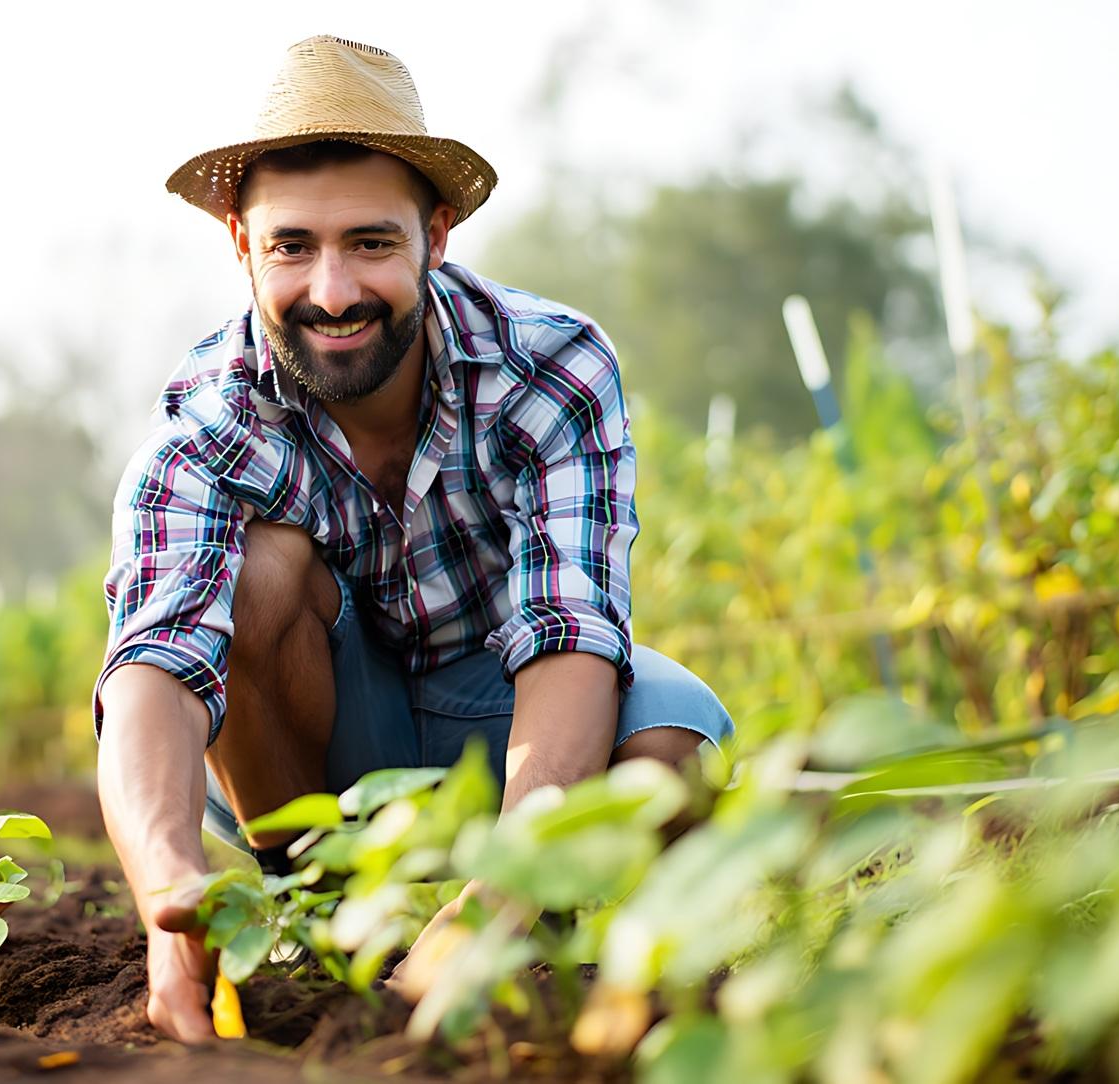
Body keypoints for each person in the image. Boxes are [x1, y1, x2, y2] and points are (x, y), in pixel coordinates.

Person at [93, 34, 734, 1044]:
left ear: (436, 235)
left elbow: (572, 633)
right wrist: (167, 892)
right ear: (240, 243)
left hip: (509, 717)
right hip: (333, 743)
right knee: (260, 575)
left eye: (372, 244)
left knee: (673, 742)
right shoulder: (211, 422)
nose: (335, 291)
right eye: (293, 245)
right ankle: (316, 914)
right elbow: (154, 662)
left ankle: (521, 930)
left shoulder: (547, 370)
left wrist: (500, 889)